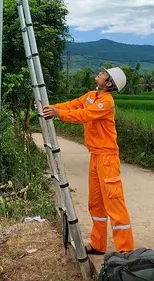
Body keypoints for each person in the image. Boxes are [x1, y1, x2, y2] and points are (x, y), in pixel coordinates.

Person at [43, 67, 135, 255]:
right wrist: (53, 108)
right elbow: (73, 105)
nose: (100, 73)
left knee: (114, 204)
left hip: (107, 158)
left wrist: (57, 113)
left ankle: (126, 251)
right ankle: (98, 244)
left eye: (103, 73)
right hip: (95, 156)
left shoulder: (106, 103)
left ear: (109, 83)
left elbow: (84, 115)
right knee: (96, 203)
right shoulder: (91, 95)